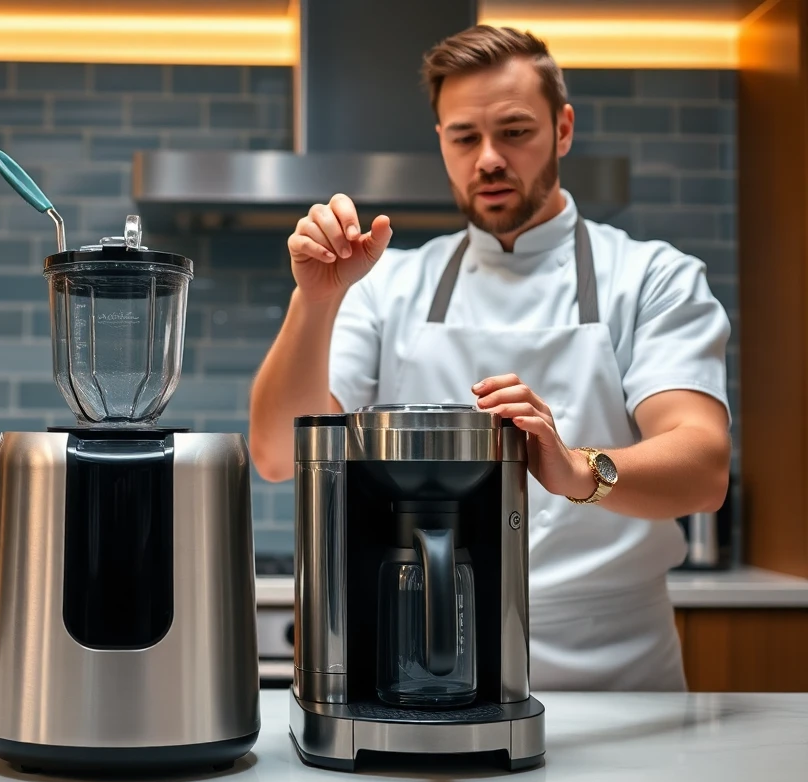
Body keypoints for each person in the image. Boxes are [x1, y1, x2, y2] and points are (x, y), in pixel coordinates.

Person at [247, 24, 732, 691]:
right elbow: (278, 453)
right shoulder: (388, 286)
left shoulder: (652, 278)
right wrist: (315, 301)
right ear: (442, 141)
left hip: (614, 678)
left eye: (514, 132)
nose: (489, 160)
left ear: (562, 130)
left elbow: (703, 465)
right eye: (464, 137)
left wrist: (575, 469)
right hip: (425, 666)